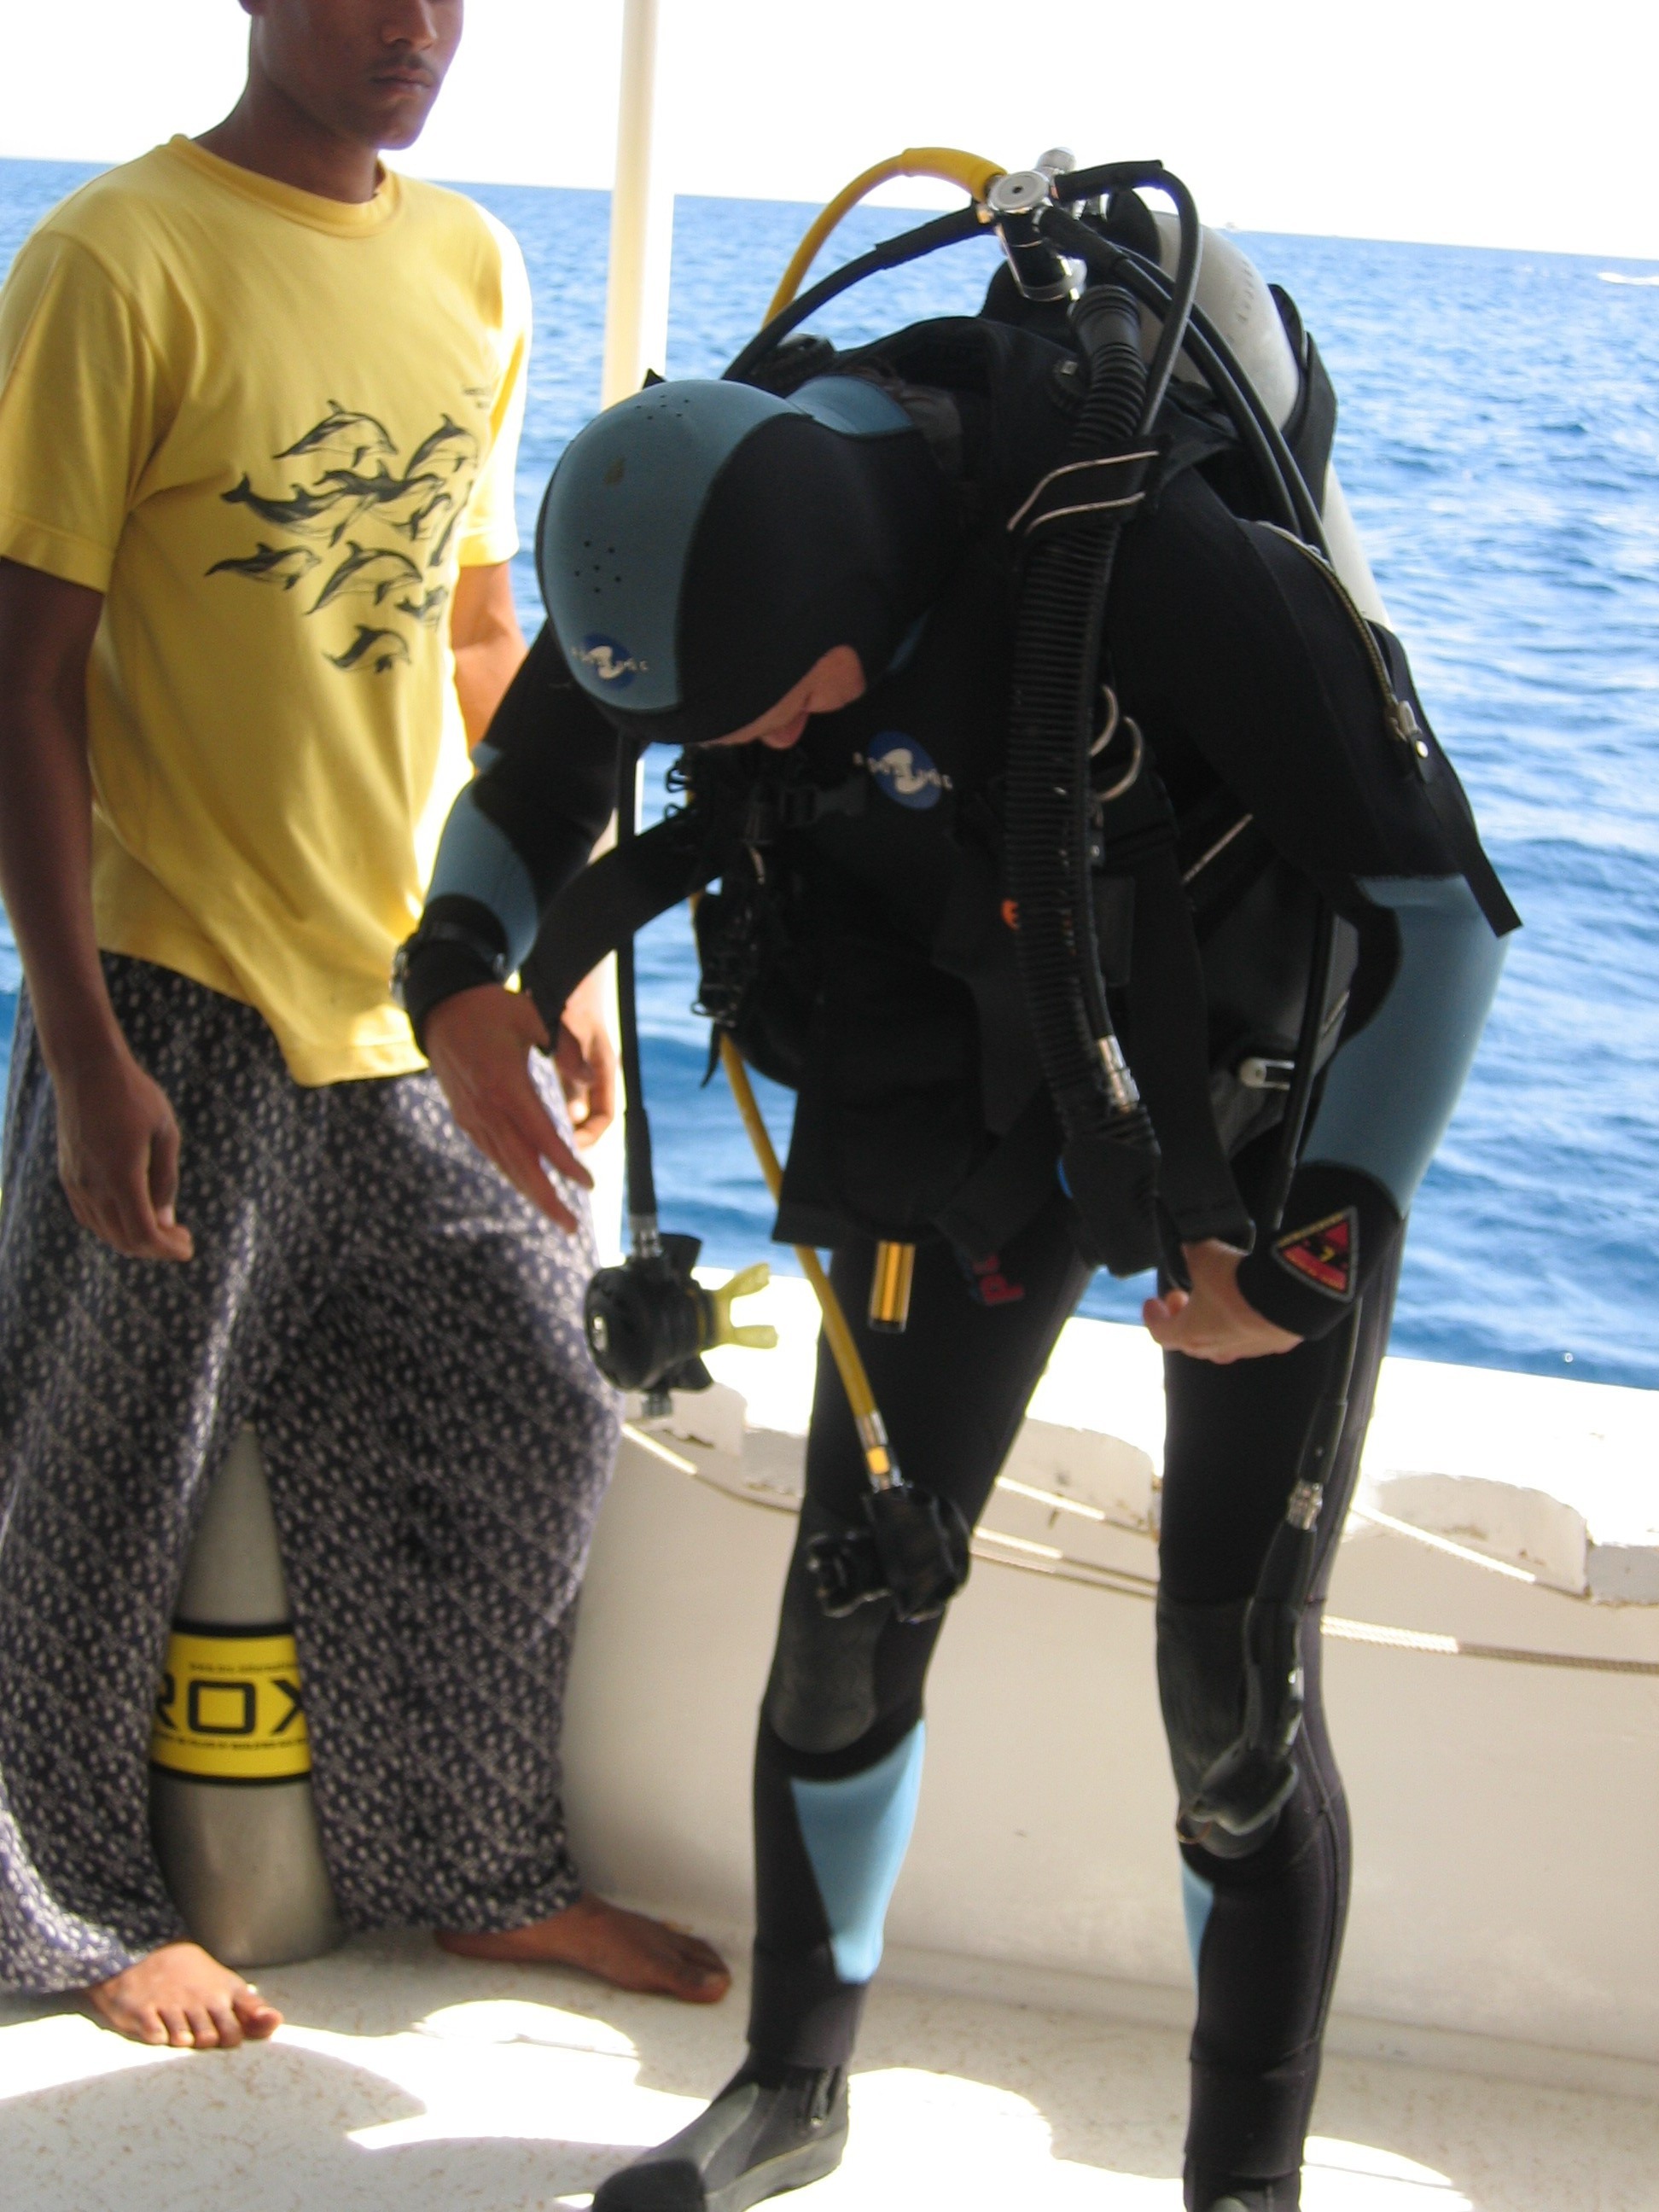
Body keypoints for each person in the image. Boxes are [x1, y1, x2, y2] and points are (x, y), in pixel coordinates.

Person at [398, 185, 1516, 2212]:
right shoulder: (693, 532)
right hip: (958, 1071)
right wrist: (457, 973)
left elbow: (1439, 918)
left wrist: (1316, 1246)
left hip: (1247, 1110)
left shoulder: (1132, 554)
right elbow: (539, 783)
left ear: (843, 628)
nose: (736, 755)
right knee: (853, 1597)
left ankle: (1242, 2187)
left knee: (1234, 1702)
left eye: (756, 721)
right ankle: (792, 2092)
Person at [0, 0, 731, 2053]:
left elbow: (485, 631)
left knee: (529, 1395)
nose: (412, 27)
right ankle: (63, 1912)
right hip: (176, 989)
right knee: (97, 1479)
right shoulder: (114, 259)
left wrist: (541, 953)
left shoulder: (474, 263)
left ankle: (478, 1872)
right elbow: (20, 679)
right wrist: (82, 1050)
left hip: (401, 994)